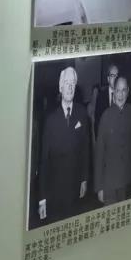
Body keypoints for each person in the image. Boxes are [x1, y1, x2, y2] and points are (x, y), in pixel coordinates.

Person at [39, 66, 90, 221]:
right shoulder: (50, 119)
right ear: (60, 87)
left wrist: (84, 179)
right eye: (66, 83)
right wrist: (42, 199)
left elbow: (85, 149)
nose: (70, 87)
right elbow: (44, 161)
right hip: (54, 191)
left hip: (75, 187)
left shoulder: (82, 113)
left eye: (72, 83)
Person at [94, 76, 131, 204]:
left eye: (123, 90)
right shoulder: (106, 116)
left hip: (127, 179)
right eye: (118, 90)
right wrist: (99, 186)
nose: (120, 95)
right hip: (109, 182)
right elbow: (99, 153)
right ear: (114, 92)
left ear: (128, 91)